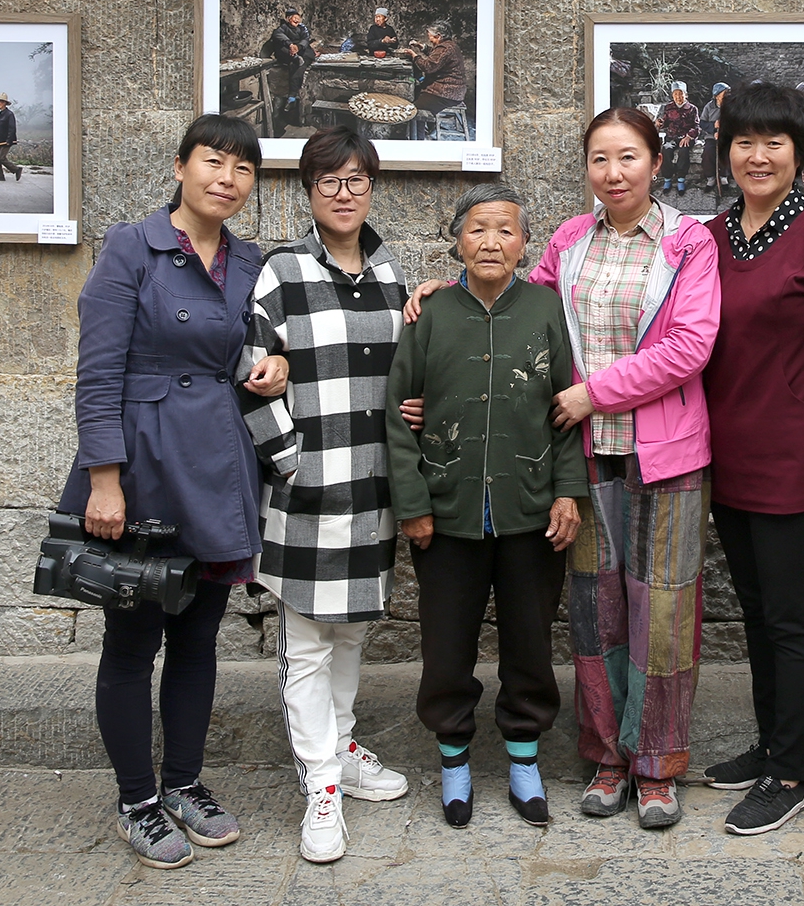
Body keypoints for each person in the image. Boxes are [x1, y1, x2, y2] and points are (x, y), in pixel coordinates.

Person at [403, 108, 721, 827]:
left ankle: (659, 764)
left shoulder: (687, 243)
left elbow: (690, 346)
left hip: (661, 454)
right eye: (600, 158)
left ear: (656, 162)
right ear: (587, 168)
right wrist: (438, 290)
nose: (614, 172)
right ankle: (607, 754)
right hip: (577, 457)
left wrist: (590, 392)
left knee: (662, 612)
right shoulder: (570, 240)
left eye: (628, 157)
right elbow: (510, 295)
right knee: (592, 613)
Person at [61, 113, 291, 871]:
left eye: (243, 168)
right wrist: (104, 479)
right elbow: (97, 372)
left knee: (198, 639)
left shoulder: (251, 260)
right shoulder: (133, 245)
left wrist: (276, 366)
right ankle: (137, 800)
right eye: (213, 160)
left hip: (219, 466)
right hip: (145, 464)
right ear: (181, 165)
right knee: (133, 643)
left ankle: (184, 782)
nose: (227, 177)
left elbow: (262, 343)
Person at [385, 184, 586, 829]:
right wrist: (413, 504)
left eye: (505, 230)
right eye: (478, 229)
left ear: (525, 243)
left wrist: (568, 491)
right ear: (458, 240)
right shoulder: (432, 314)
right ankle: (453, 760)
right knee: (447, 645)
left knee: (530, 639)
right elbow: (397, 413)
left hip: (530, 512)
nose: (491, 241)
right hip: (446, 513)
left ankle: (525, 759)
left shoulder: (545, 308)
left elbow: (567, 408)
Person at [241, 125, 412, 865]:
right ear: (307, 193)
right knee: (307, 642)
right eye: (327, 182)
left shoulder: (392, 274)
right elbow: (251, 372)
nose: (344, 194)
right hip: (308, 488)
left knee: (350, 631)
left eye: (356, 179)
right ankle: (320, 784)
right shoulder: (282, 271)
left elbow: (411, 373)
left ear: (373, 185)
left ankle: (341, 748)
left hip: (374, 486)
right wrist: (289, 463)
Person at [699, 82, 804, 835]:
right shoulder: (710, 235)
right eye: (744, 140)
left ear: (800, 154)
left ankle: (793, 770)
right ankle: (770, 744)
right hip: (726, 461)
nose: (757, 154)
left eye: (774, 141)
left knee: (795, 621)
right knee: (759, 616)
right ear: (725, 148)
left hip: (799, 469)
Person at [407, 22, 469, 139]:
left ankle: (418, 139)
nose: (429, 39)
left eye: (430, 36)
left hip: (448, 93)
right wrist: (421, 47)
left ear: (439, 36)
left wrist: (414, 56)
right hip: (454, 90)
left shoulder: (445, 48)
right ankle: (430, 126)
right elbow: (436, 55)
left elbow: (428, 66)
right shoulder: (450, 45)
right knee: (418, 91)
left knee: (415, 109)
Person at [266, 2, 321, 124]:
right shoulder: (283, 28)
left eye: (298, 17)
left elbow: (306, 39)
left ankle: (291, 97)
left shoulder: (302, 28)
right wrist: (290, 45)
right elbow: (278, 35)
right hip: (289, 50)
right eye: (293, 17)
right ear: (288, 19)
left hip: (299, 51)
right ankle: (296, 59)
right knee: (282, 50)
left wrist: (298, 46)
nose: (296, 19)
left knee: (301, 61)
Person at [655, 82, 700, 193]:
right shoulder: (669, 108)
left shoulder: (692, 109)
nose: (678, 97)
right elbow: (665, 122)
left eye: (681, 94)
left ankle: (681, 179)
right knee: (666, 149)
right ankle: (668, 179)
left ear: (686, 95)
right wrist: (660, 123)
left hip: (686, 137)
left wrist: (689, 136)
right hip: (672, 136)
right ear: (672, 96)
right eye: (675, 94)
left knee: (683, 151)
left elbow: (697, 127)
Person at [699, 82, 730, 191]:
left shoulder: (730, 106)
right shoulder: (709, 106)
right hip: (711, 137)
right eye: (724, 93)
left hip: (726, 136)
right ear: (717, 95)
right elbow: (702, 123)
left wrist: (722, 130)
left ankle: (724, 176)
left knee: (725, 151)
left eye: (727, 92)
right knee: (708, 152)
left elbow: (735, 122)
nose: (726, 95)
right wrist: (713, 127)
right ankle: (711, 177)